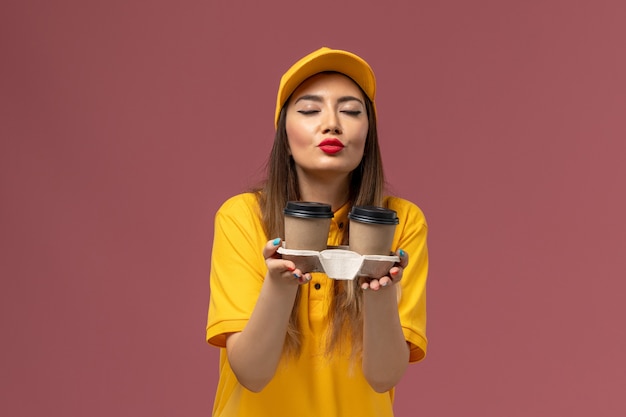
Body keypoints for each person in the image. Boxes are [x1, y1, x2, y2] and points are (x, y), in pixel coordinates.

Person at [206, 47, 428, 417]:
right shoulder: (243, 216)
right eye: (310, 110)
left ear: (368, 134)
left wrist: (380, 290)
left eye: (351, 111)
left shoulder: (401, 221)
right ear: (284, 136)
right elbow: (252, 373)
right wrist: (279, 283)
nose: (332, 124)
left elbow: (383, 376)